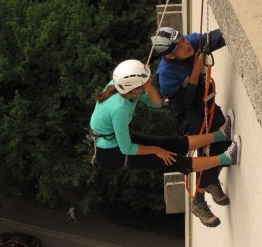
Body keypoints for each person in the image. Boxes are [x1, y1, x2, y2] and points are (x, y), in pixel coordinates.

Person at [89, 59, 240, 227]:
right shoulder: (119, 108)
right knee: (173, 160)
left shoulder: (120, 86)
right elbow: (127, 148)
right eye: (144, 82)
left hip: (115, 139)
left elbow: (156, 103)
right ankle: (227, 158)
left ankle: (221, 136)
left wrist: (148, 83)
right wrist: (156, 150)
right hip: (113, 153)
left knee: (171, 143)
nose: (149, 80)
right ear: (135, 88)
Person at [151, 27, 231, 227]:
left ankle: (211, 183)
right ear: (170, 54)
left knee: (223, 145)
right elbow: (184, 102)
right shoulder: (167, 75)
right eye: (181, 46)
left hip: (205, 101)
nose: (187, 45)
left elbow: (215, 37)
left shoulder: (190, 43)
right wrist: (196, 70)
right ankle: (198, 201)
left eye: (185, 39)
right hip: (190, 115)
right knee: (206, 154)